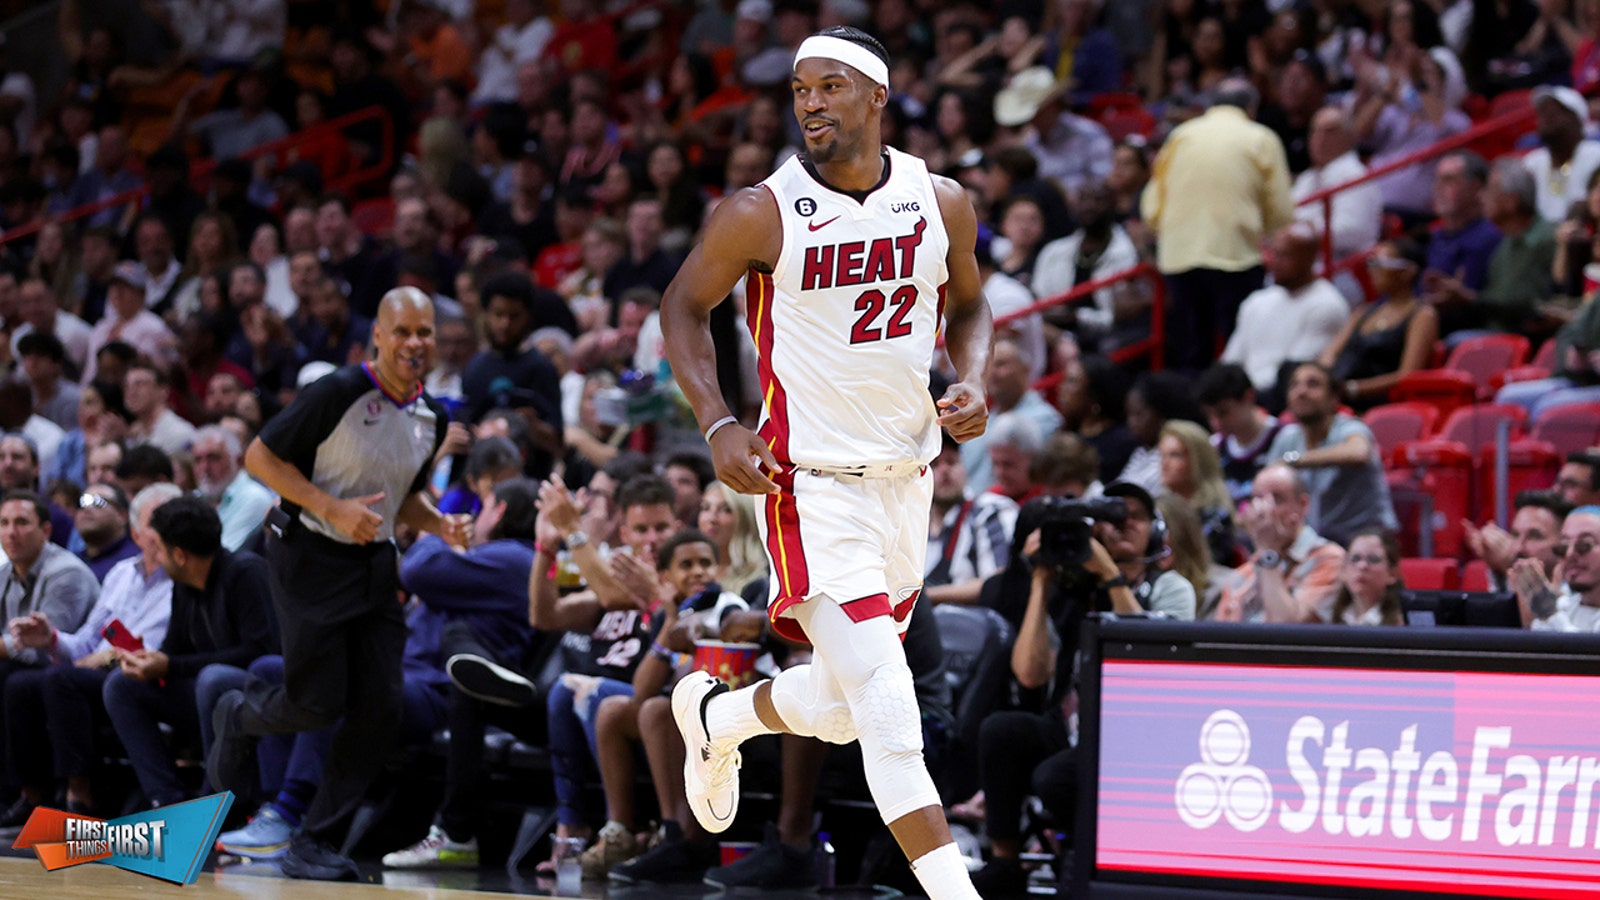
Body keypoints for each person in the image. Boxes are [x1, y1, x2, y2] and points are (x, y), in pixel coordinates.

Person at [657, 26, 991, 899]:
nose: (809, 101)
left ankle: (721, 715)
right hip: (810, 487)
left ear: (877, 96)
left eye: (829, 86)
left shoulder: (939, 199)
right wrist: (720, 420)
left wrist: (973, 379)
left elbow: (975, 306)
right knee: (888, 710)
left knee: (843, 713)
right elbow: (683, 308)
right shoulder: (760, 211)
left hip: (907, 482)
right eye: (801, 88)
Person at [208, 287, 469, 881]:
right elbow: (261, 458)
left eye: (424, 332)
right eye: (402, 331)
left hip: (376, 560)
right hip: (307, 555)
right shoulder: (337, 392)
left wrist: (440, 524)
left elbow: (404, 498)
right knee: (316, 701)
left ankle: (313, 840)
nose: (414, 343)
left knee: (380, 708)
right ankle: (239, 715)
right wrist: (333, 507)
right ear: (377, 335)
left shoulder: (437, 415)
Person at [970, 481, 1193, 895]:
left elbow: (1149, 667)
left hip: (1137, 740)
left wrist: (1110, 576)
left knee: (1054, 777)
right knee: (1002, 731)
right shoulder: (1075, 590)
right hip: (1074, 727)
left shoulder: (1170, 587)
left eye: (1136, 518)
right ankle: (1004, 863)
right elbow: (1029, 675)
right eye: (1112, 518)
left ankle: (1089, 864)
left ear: (1156, 532)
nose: (1121, 525)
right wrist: (1040, 581)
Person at [1, 483, 179, 819]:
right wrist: (50, 638)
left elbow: (163, 648)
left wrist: (111, 656)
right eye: (158, 522)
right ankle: (31, 796)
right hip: (95, 672)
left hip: (144, 675)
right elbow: (84, 642)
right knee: (21, 684)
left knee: (61, 680)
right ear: (137, 532)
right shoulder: (121, 573)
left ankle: (80, 795)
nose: (169, 529)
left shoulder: (181, 580)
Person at [102, 497, 277, 812]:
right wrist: (148, 661)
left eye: (159, 546)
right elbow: (174, 649)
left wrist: (171, 665)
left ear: (179, 555)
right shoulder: (183, 584)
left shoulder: (246, 572)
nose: (154, 554)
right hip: (200, 692)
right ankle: (166, 800)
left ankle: (215, 805)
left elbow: (262, 652)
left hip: (252, 691)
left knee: (213, 679)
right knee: (121, 685)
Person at [1142, 79, 1294, 371]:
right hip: (1235, 252)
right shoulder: (1260, 136)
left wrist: (1168, 230)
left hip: (1180, 254)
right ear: (1251, 109)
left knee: (1192, 349)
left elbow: (1152, 203)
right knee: (1239, 346)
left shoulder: (1181, 135)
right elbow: (1280, 210)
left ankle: (1194, 409)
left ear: (1210, 106)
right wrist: (1266, 234)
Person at [1270, 362, 1399, 545]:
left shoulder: (1350, 428)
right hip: (1314, 546)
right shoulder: (1287, 438)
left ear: (1333, 399)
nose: (1301, 391)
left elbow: (1359, 452)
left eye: (1312, 384)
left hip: (1365, 544)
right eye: (1294, 385)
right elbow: (1266, 482)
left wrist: (1296, 460)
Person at [1220, 224, 1348, 396]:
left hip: (1283, 396)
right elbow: (1231, 362)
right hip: (1242, 396)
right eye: (1274, 253)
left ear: (1309, 258)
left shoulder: (1327, 304)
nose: (1275, 262)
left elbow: (1295, 372)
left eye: (1285, 255)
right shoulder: (1255, 301)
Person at [1214, 464, 1346, 624]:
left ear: (1303, 505)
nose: (1265, 510)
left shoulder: (1330, 559)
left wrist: (1268, 552)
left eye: (1277, 499)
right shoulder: (1242, 575)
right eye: (1258, 499)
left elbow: (1286, 630)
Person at [1320, 238, 1440, 410]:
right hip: (1337, 394)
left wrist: (1354, 389)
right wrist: (1323, 378)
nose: (1372, 270)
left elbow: (1408, 374)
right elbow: (1329, 354)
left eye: (1381, 263)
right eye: (1371, 262)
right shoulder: (1363, 312)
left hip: (1378, 403)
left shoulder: (1422, 315)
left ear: (1408, 271)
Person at [925, 433, 1017, 606]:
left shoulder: (989, 511)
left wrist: (926, 597)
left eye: (952, 462)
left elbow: (997, 583)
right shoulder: (913, 522)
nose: (944, 470)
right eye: (935, 464)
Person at [1197, 363, 1283, 503]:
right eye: (1209, 415)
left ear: (1249, 397)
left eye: (1223, 413)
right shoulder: (1214, 447)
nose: (1216, 424)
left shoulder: (1283, 437)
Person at [1509, 505, 1600, 632]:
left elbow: (1584, 649)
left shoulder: (1553, 611)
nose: (1569, 554)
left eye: (1584, 545)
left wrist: (1550, 615)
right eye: (1563, 546)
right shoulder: (1564, 604)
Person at [1464, 490, 1573, 591]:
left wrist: (1507, 568)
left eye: (1534, 536)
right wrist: (1500, 571)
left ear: (1564, 544)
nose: (1519, 547)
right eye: (1515, 535)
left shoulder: (1581, 595)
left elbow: (1544, 610)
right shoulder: (1505, 573)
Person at [191, 424, 274, 551]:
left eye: (213, 458)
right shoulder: (194, 497)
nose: (204, 468)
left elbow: (220, 554)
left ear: (239, 461)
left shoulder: (254, 497)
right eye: (198, 460)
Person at [1326, 528, 1405, 626]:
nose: (1362, 566)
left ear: (1392, 574)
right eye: (1355, 558)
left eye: (1373, 559)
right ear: (1343, 572)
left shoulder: (1403, 622)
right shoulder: (1328, 615)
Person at [74, 482, 139, 581]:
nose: (87, 509)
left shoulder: (135, 562)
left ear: (122, 516)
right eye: (82, 503)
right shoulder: (72, 562)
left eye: (98, 502)